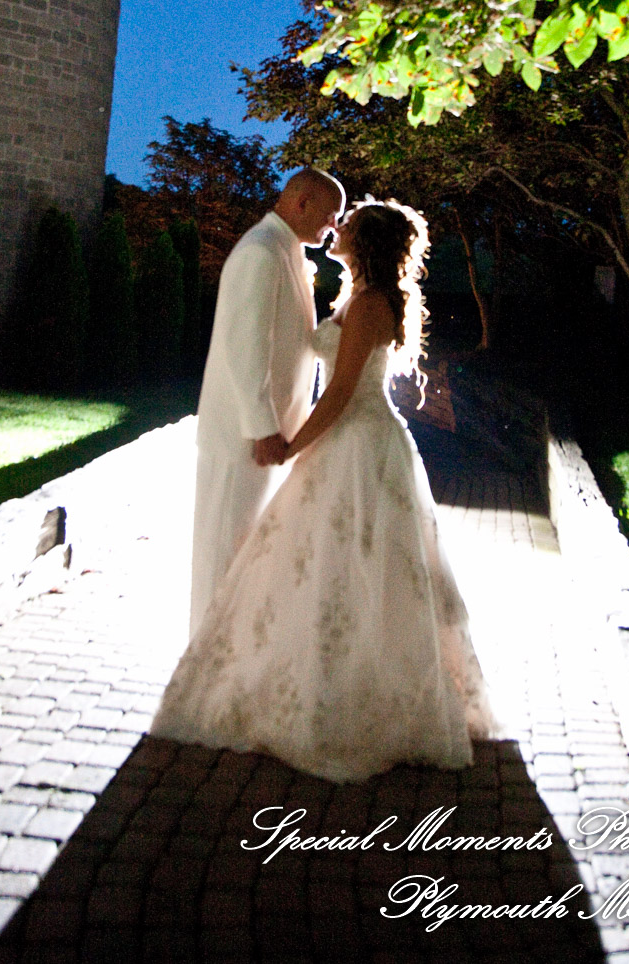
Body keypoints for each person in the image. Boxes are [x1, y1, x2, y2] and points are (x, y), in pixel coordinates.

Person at [152, 198, 494, 783]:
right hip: (346, 440)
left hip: (358, 444)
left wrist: (290, 445)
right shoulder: (354, 295)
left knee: (353, 567)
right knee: (326, 567)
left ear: (365, 243)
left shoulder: (370, 304)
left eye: (348, 225)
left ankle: (349, 700)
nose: (337, 228)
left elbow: (338, 396)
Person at [188, 167, 345, 638]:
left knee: (246, 565)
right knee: (222, 562)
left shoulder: (284, 249)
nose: (333, 226)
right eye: (330, 214)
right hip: (244, 441)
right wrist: (263, 428)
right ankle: (204, 664)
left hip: (272, 440)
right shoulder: (260, 251)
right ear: (302, 202)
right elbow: (245, 346)